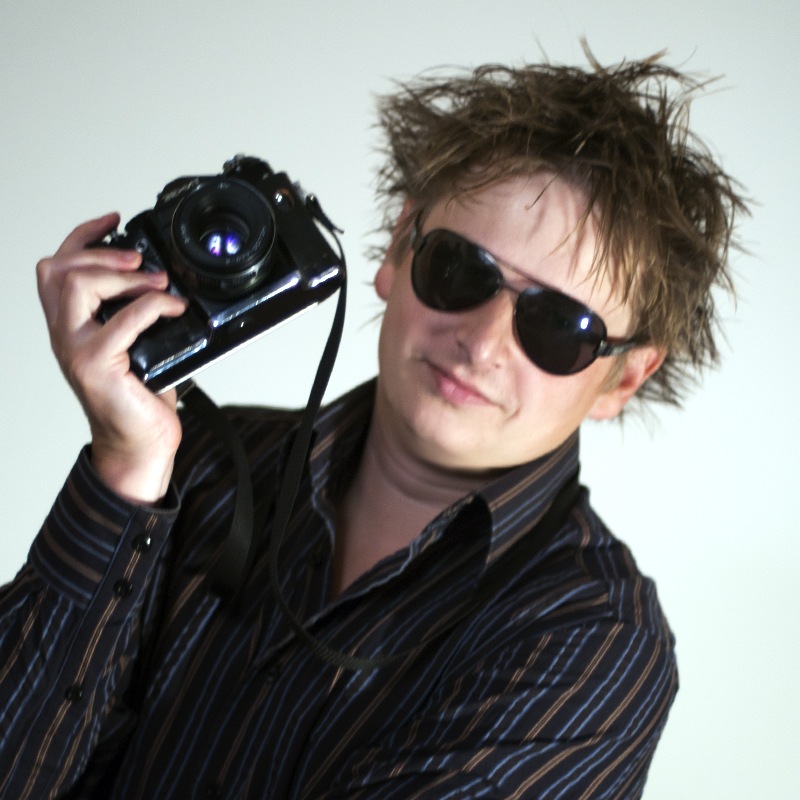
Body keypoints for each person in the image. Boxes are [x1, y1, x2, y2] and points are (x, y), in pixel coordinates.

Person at [0, 52, 745, 799]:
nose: (482, 343)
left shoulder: (593, 641)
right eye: (461, 269)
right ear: (396, 249)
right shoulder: (185, 472)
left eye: (560, 327)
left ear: (624, 376)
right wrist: (124, 475)